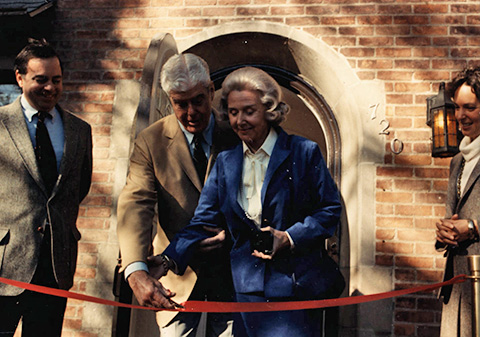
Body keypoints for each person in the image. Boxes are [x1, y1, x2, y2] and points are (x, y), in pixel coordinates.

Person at [151, 66, 344, 336]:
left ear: (269, 110)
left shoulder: (303, 152)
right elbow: (203, 221)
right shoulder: (225, 162)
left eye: (249, 111)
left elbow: (329, 210)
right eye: (233, 112)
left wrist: (288, 237)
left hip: (294, 288)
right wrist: (169, 258)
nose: (240, 120)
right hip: (245, 292)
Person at [116, 53, 239, 336]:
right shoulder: (151, 141)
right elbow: (135, 204)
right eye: (180, 104)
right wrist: (135, 271)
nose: (191, 112)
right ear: (168, 99)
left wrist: (231, 234)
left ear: (211, 91)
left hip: (231, 277)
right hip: (177, 278)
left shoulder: (236, 132)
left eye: (198, 100)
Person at [0, 39, 93, 336]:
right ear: (19, 78)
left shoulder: (80, 131)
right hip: (5, 266)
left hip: (54, 268)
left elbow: (79, 187)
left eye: (57, 80)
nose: (50, 88)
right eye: (41, 80)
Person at [436, 66, 480, 337]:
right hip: (458, 283)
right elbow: (454, 214)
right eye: (457, 107)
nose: (460, 116)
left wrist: (473, 227)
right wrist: (444, 232)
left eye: (470, 107)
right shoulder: (458, 160)